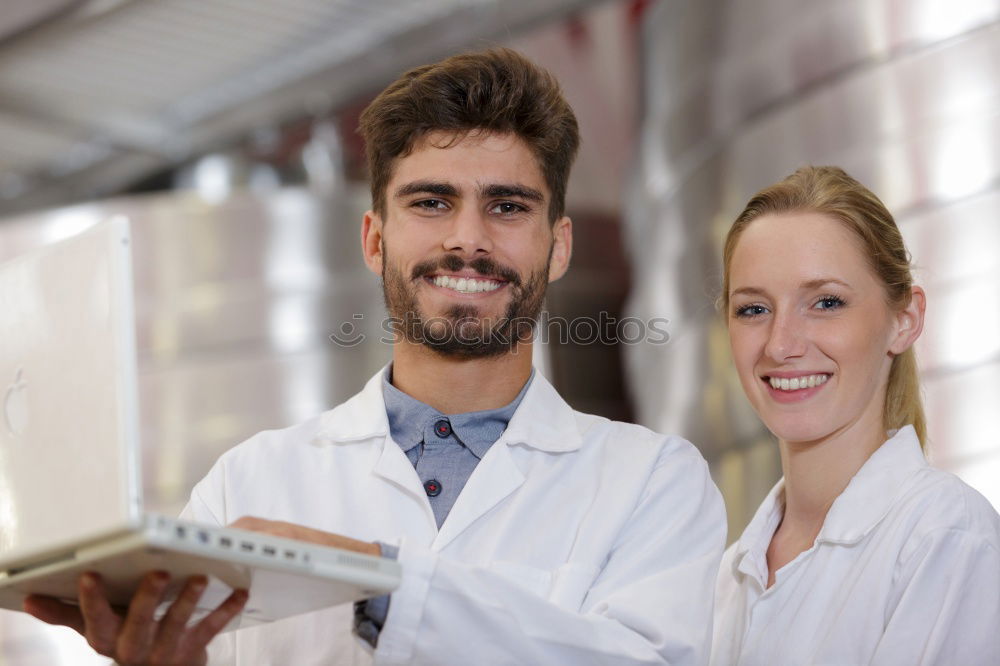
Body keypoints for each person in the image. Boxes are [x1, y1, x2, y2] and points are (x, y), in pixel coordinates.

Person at [26, 48, 726, 665]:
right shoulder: (251, 483)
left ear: (560, 244)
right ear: (373, 239)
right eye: (431, 202)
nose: (468, 239)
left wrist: (373, 578)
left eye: (508, 206)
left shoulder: (651, 484)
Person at [711, 165, 1000, 665]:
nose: (781, 346)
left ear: (903, 322)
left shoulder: (945, 538)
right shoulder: (727, 578)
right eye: (753, 309)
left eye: (825, 302)